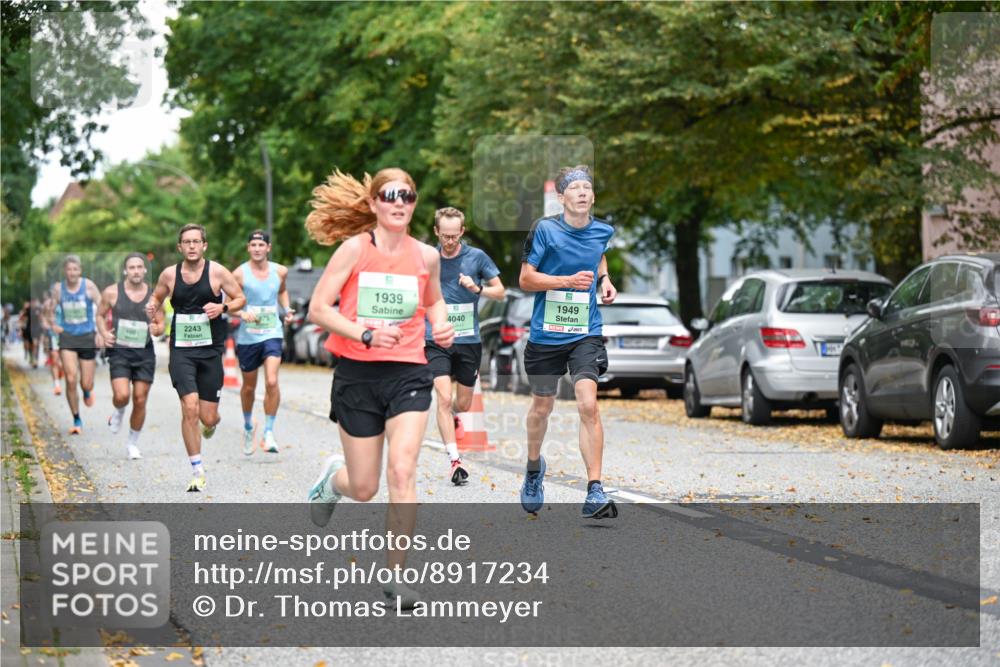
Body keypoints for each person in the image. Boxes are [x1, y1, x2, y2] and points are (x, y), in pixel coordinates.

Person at [303, 167, 454, 606]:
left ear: (414, 203)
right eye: (389, 195)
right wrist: (364, 334)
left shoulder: (426, 256)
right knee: (365, 487)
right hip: (358, 375)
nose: (398, 202)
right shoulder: (354, 249)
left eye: (406, 195)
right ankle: (333, 481)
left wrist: (443, 325)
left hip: (409, 373)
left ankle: (395, 577)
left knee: (402, 471)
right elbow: (318, 308)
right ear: (373, 203)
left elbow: (434, 301)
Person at [518, 165, 619, 519]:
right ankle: (534, 468)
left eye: (587, 187)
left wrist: (604, 279)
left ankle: (595, 490)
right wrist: (566, 281)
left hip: (584, 332)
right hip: (546, 335)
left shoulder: (603, 230)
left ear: (593, 196)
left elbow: (598, 252)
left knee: (588, 404)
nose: (582, 192)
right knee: (541, 409)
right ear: (561, 198)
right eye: (575, 188)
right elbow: (526, 280)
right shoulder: (545, 230)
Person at [146, 224, 246, 492]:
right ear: (179, 247)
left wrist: (223, 306)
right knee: (189, 407)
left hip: (211, 351)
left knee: (208, 417)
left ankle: (210, 424)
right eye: (187, 242)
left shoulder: (217, 272)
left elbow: (240, 298)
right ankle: (197, 470)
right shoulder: (169, 274)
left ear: (204, 245)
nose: (191, 246)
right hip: (181, 350)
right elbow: (156, 299)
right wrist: (154, 315)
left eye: (196, 241)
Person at [425, 207, 504, 485]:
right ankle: (455, 461)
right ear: (437, 232)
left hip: (469, 340)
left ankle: (453, 417)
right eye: (444, 236)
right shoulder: (428, 258)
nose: (449, 241)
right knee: (444, 398)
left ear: (462, 231)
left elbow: (500, 291)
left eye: (454, 236)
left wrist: (477, 289)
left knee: (463, 403)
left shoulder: (476, 257)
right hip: (436, 338)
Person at [229, 230, 294, 455]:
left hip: (272, 333)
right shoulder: (239, 274)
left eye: (261, 245)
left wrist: (287, 309)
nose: (257, 249)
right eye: (253, 245)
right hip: (248, 337)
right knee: (249, 387)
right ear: (248, 248)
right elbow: (228, 304)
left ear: (268, 248)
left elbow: (282, 291)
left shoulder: (280, 271)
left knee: (272, 381)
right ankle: (248, 426)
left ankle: (268, 432)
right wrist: (241, 313)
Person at [96, 253, 164, 460]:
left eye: (139, 267)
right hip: (120, 351)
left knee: (140, 399)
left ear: (145, 270)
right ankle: (118, 411)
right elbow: (99, 315)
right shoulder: (111, 292)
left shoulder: (154, 296)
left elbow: (161, 324)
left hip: (144, 353)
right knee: (122, 395)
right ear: (126, 270)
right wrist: (104, 333)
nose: (136, 271)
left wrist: (156, 329)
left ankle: (132, 443)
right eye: (131, 267)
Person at [51, 255, 103, 435]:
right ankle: (76, 418)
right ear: (64, 271)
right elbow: (49, 310)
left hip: (87, 337)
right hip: (67, 338)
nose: (72, 272)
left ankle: (87, 391)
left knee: (86, 383)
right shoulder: (58, 289)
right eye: (69, 269)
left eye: (75, 269)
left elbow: (102, 309)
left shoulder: (89, 287)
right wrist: (53, 324)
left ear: (80, 271)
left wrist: (100, 332)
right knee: (71, 378)